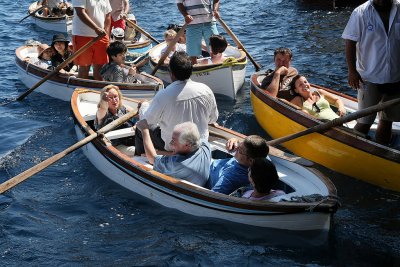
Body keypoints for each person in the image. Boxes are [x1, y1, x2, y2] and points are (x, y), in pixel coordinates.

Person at [135, 51, 218, 156]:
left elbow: (146, 121)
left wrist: (143, 106)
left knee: (140, 128)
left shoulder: (163, 95)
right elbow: (213, 119)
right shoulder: (206, 90)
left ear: (171, 73)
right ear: (191, 70)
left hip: (173, 147)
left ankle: (140, 158)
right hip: (199, 144)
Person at [342, 0, 400, 145]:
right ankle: (351, 151)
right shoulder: (360, 12)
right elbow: (350, 42)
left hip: (396, 77)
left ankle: (382, 151)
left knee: (387, 120)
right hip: (368, 78)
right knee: (365, 121)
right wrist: (352, 71)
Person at [136, 120, 211, 186]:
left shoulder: (178, 164)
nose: (171, 144)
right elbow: (176, 155)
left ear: (187, 145)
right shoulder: (205, 146)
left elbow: (152, 158)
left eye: (174, 141)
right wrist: (159, 152)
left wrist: (144, 130)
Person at [72, 0, 112, 80]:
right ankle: (81, 89)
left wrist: (106, 34)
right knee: (84, 68)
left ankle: (100, 90)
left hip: (102, 37)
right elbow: (80, 12)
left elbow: (108, 16)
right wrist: (96, 28)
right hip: (82, 35)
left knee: (101, 69)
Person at [94, 85, 136, 156]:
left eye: (115, 96)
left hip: (131, 139)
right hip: (115, 145)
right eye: (110, 98)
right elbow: (103, 108)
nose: (114, 100)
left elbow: (141, 115)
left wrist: (137, 123)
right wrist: (104, 100)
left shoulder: (124, 108)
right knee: (138, 150)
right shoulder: (102, 112)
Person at [176, 0, 220, 64]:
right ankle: (195, 69)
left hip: (209, 22)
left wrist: (215, 10)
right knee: (192, 54)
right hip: (192, 24)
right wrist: (186, 15)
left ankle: (217, 66)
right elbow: (179, 3)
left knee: (216, 49)